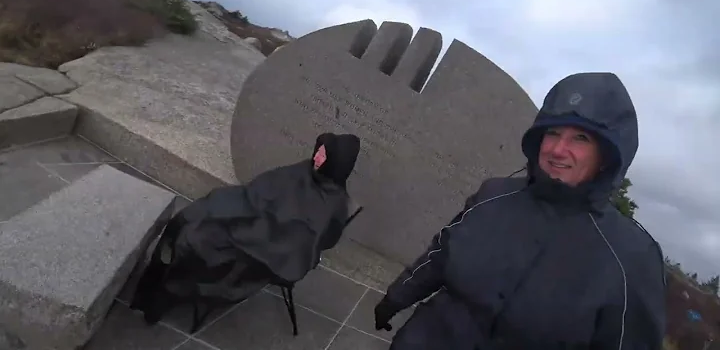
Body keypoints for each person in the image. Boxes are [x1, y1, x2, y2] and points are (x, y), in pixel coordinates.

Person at [373, 72, 667, 349]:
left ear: (607, 156)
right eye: (552, 133)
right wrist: (394, 299)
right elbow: (440, 256)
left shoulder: (632, 257)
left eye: (581, 138)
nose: (557, 150)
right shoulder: (494, 195)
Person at [130, 132, 361, 332]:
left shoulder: (335, 205)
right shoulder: (304, 170)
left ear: (336, 163)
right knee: (192, 218)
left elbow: (314, 240)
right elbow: (264, 188)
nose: (317, 158)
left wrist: (269, 230)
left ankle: (169, 292)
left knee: (199, 243)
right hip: (250, 212)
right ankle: (162, 283)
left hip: (266, 248)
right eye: (318, 151)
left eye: (324, 155)